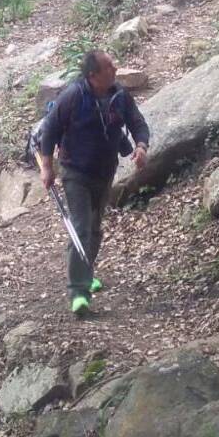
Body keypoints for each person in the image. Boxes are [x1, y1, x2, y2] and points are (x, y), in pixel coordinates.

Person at [40, 50, 150, 316]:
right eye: (109, 66)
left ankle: (86, 273)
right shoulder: (73, 96)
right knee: (80, 228)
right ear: (93, 75)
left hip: (105, 171)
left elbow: (137, 123)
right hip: (75, 172)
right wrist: (47, 168)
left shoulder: (119, 95)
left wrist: (141, 146)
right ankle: (78, 293)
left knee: (95, 229)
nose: (115, 68)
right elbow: (49, 131)